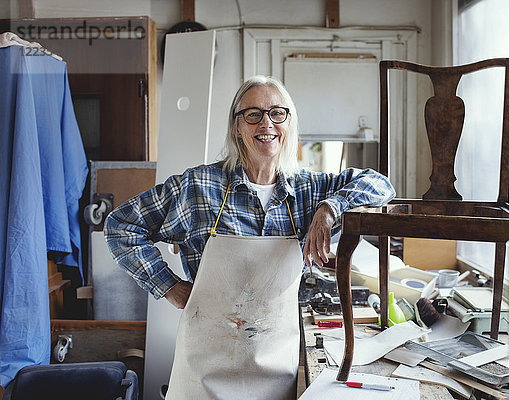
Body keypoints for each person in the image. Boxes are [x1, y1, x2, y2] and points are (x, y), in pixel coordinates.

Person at [104, 75, 395, 399]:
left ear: (289, 122)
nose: (266, 123)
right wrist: (168, 286)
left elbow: (381, 185)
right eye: (253, 113)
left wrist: (329, 209)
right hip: (204, 369)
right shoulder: (197, 188)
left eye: (277, 113)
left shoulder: (309, 191)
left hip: (274, 366)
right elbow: (120, 225)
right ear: (236, 126)